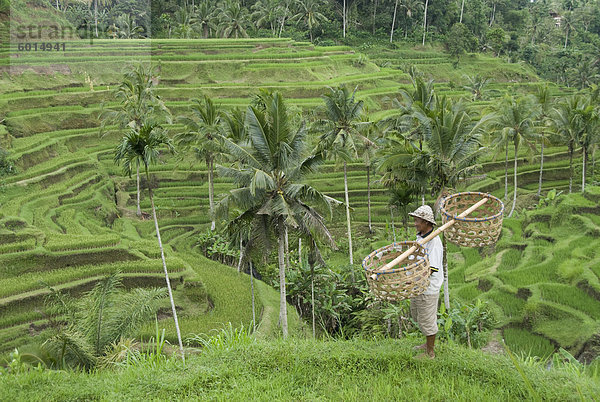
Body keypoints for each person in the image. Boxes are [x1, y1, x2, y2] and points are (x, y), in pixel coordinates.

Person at [408, 204, 443, 359]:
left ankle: (430, 352)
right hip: (416, 286)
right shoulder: (420, 237)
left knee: (427, 319)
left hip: (427, 288)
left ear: (427, 223)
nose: (415, 223)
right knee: (418, 316)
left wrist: (411, 277)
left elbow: (432, 269)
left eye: (418, 221)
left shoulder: (434, 242)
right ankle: (426, 344)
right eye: (415, 220)